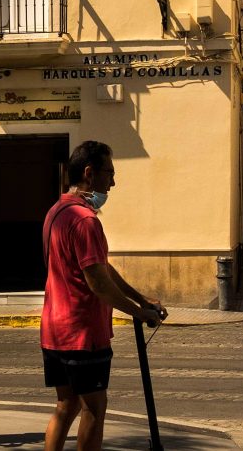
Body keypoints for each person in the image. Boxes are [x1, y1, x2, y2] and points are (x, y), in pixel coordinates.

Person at [41, 141, 167, 451]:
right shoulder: (86, 221)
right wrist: (139, 313)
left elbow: (101, 267)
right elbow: (98, 282)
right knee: (94, 410)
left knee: (65, 406)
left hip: (54, 330)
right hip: (82, 334)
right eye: (109, 173)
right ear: (89, 173)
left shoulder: (57, 211)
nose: (113, 182)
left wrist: (141, 299)